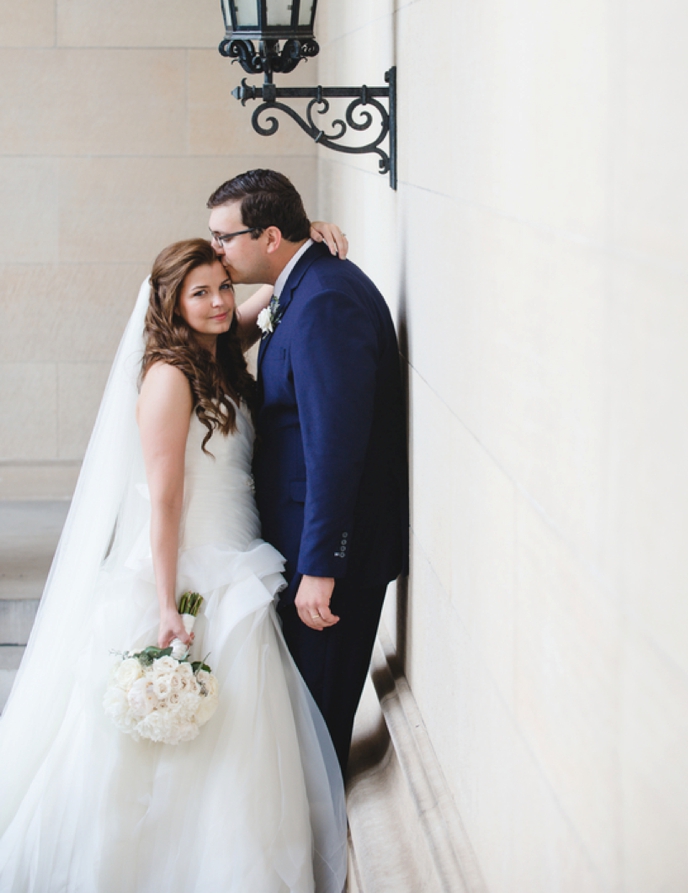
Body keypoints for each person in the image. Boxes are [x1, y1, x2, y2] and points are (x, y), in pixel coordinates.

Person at [0, 230, 349, 893]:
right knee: (165, 748)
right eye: (201, 292)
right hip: (191, 574)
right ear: (170, 301)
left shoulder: (213, 354)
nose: (221, 301)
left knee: (238, 745)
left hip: (235, 557)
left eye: (223, 285)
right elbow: (163, 502)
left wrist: (306, 245)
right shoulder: (167, 377)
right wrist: (166, 605)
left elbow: (258, 303)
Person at [207, 169, 409, 776]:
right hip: (298, 547)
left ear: (269, 236)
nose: (216, 249)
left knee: (314, 739)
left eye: (224, 237)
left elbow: (337, 449)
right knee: (294, 731)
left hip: (327, 566)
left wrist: (322, 567)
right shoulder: (304, 284)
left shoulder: (325, 302)